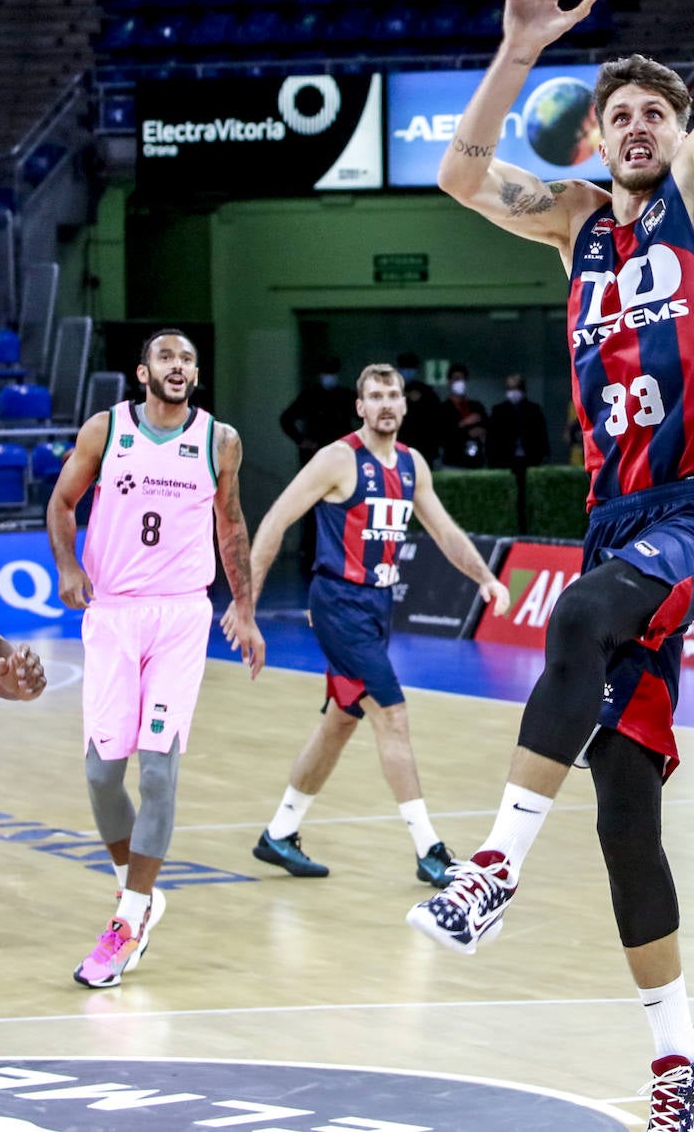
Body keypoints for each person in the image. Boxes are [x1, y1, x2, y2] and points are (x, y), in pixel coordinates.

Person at [406, 0, 694, 1131]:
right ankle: (681, 1055)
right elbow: (457, 173)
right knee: (623, 808)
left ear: (680, 130)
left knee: (577, 615)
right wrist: (517, 48)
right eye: (620, 114)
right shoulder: (571, 231)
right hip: (624, 525)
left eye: (656, 111)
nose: (638, 125)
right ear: (597, 137)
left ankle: (491, 869)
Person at [222, 362, 510, 887]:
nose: (385, 404)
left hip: (378, 606)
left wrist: (486, 578)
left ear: (404, 404)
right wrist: (246, 606)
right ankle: (429, 849)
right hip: (338, 603)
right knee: (392, 715)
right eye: (374, 396)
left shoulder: (412, 465)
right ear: (360, 407)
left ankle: (280, 833)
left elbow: (444, 532)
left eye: (392, 395)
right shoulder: (338, 459)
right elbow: (275, 520)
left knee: (340, 721)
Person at [47, 328, 264, 989]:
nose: (178, 366)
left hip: (180, 616)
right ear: (143, 373)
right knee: (100, 775)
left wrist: (245, 608)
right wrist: (67, 566)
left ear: (195, 374)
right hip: (113, 613)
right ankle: (134, 889)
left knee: (159, 774)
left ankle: (129, 918)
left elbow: (231, 523)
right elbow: (61, 502)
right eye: (166, 357)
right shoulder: (106, 430)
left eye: (187, 359)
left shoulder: (219, 441)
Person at [280, 355, 358, 576]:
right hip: (315, 459)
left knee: (342, 505)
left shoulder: (345, 396)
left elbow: (364, 419)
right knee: (313, 506)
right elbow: (286, 419)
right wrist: (301, 440)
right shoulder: (311, 395)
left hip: (341, 459)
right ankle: (311, 554)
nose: (329, 377)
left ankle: (341, 553)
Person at [486, 374, 550, 470]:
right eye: (510, 388)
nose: (513, 392)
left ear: (523, 389)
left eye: (516, 388)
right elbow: (492, 437)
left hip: (531, 457)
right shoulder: (498, 411)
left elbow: (541, 433)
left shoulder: (533, 410)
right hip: (504, 457)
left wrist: (545, 454)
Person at [396, 350, 442, 466]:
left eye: (410, 368)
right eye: (404, 368)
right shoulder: (392, 391)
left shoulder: (426, 391)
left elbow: (436, 416)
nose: (407, 371)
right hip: (400, 446)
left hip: (424, 446)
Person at [439, 362, 488, 468]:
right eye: (456, 379)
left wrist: (482, 431)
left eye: (462, 379)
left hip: (476, 461)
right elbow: (442, 435)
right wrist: (464, 423)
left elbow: (488, 426)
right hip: (453, 461)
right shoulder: (443, 409)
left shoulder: (476, 406)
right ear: (449, 381)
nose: (460, 382)